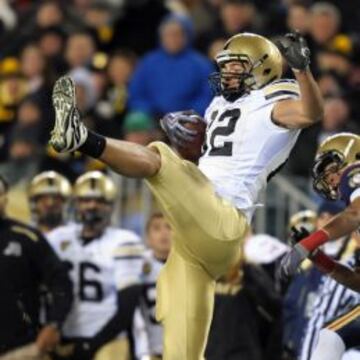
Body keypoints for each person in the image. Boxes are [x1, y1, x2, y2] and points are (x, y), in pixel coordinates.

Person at [49, 31, 323, 359]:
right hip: (196, 232)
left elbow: (311, 113)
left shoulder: (274, 102)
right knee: (181, 347)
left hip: (224, 217)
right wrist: (184, 134)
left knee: (159, 157)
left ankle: (81, 137)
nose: (227, 73)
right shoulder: (220, 103)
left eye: (236, 66)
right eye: (224, 66)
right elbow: (211, 157)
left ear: (262, 68)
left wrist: (301, 70)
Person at [279, 132, 360, 360]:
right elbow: (357, 282)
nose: (331, 180)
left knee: (331, 336)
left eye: (332, 170)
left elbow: (355, 213)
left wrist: (308, 243)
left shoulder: (354, 173)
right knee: (332, 335)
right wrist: (318, 258)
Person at [47, 171, 144, 360]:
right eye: (86, 200)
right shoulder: (57, 238)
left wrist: (93, 343)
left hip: (109, 337)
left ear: (111, 206)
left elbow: (127, 304)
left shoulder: (124, 241)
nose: (92, 206)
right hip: (64, 332)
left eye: (100, 201)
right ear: (76, 204)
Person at [0, 175, 73, 359]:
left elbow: (61, 282)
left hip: (19, 349)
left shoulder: (27, 238)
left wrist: (54, 324)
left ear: (5, 199)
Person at [136, 212, 172, 359]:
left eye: (169, 227)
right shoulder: (138, 267)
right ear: (148, 238)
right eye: (156, 228)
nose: (164, 233)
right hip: (151, 349)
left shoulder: (190, 267)